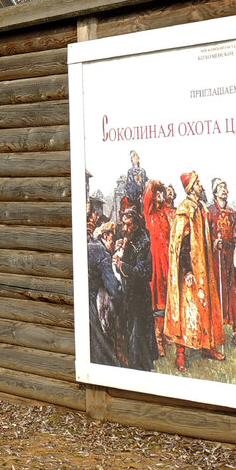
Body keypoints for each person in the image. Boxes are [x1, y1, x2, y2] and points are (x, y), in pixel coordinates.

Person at [164, 171, 224, 372]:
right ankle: (180, 355)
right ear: (191, 189)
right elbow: (181, 244)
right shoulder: (185, 210)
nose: (201, 186)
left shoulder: (201, 208)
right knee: (186, 310)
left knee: (207, 306)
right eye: (197, 184)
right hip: (190, 271)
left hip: (204, 269)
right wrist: (187, 270)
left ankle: (208, 347)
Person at [113, 198, 158, 371]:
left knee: (138, 334)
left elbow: (144, 273)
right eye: (123, 224)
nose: (124, 229)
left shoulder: (143, 242)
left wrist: (122, 265)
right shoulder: (126, 238)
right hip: (128, 295)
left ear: (136, 225)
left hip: (140, 297)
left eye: (128, 225)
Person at [208, 178, 236, 352]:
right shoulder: (209, 211)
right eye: (220, 188)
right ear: (215, 192)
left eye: (225, 187)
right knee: (215, 295)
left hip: (230, 259)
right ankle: (212, 336)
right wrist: (212, 242)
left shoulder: (232, 213)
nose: (224, 190)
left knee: (234, 296)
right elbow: (204, 234)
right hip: (216, 259)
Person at [142, 178, 171, 356]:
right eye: (157, 193)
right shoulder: (149, 212)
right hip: (155, 261)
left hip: (166, 260)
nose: (160, 196)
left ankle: (166, 334)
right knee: (157, 298)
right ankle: (158, 339)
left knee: (167, 297)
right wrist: (154, 183)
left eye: (161, 193)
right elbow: (147, 196)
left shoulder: (163, 214)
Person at [87, 221, 121, 367]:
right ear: (106, 236)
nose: (114, 245)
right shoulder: (102, 253)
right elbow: (112, 288)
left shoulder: (91, 247)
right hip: (90, 303)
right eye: (114, 239)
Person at [124, 151, 148, 217]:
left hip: (142, 195)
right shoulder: (130, 171)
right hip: (134, 196)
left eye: (135, 156)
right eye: (132, 157)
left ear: (138, 158)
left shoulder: (143, 171)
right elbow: (129, 184)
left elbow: (145, 181)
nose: (134, 159)